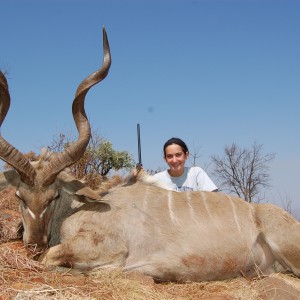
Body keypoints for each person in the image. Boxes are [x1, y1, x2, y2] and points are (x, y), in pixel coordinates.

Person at [153, 137, 218, 192]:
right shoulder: (157, 179)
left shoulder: (196, 173)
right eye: (170, 156)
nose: (174, 160)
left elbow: (212, 198)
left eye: (178, 155)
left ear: (186, 155)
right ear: (165, 159)